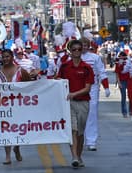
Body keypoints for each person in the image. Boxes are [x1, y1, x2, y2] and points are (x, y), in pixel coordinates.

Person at [55, 38, 95, 169]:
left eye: (79, 49)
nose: (77, 51)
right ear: (70, 51)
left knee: (80, 133)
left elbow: (88, 88)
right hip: (69, 102)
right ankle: (74, 157)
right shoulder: (64, 66)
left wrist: (74, 93)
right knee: (73, 129)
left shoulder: (87, 68)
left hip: (83, 102)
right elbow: (59, 80)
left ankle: (79, 155)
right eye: (74, 50)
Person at [0, 49, 28, 164]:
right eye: (3, 57)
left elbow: (30, 86)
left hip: (19, 106)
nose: (5, 59)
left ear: (12, 57)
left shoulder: (21, 71)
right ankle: (7, 156)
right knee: (5, 130)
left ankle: (17, 147)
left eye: (7, 56)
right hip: (3, 107)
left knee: (18, 129)